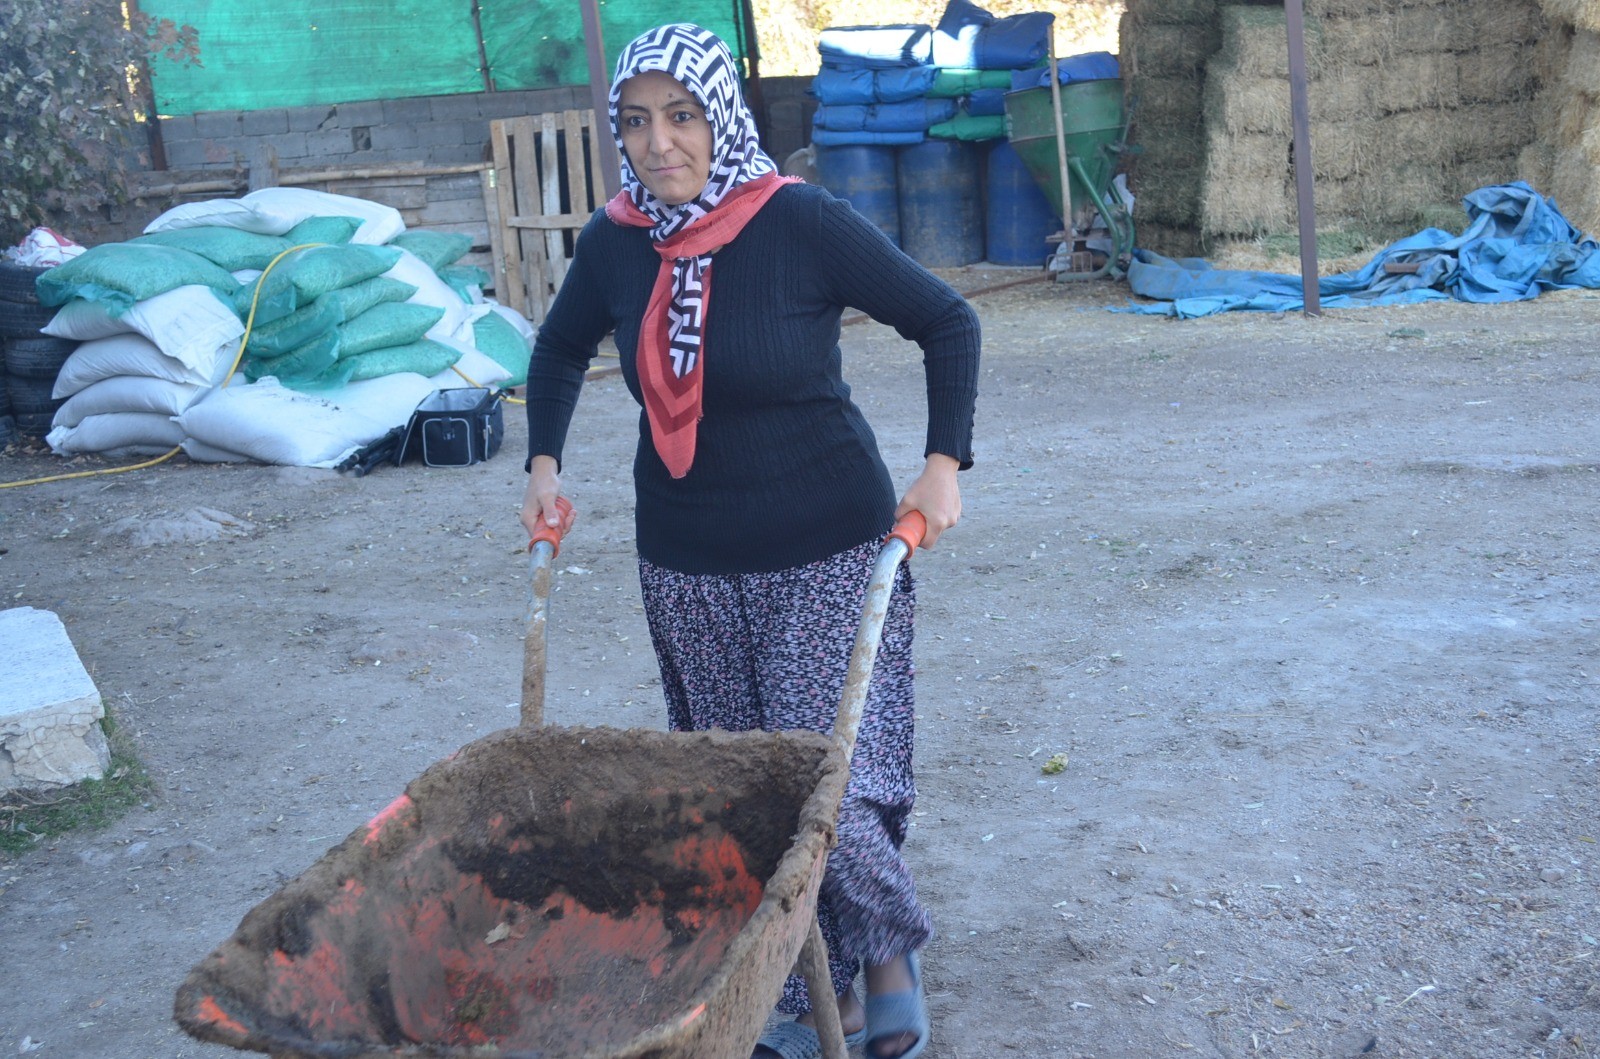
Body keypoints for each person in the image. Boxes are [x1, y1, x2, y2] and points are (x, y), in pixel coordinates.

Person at [518, 22, 979, 1059]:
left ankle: (888, 957)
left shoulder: (798, 222)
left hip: (828, 546)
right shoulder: (614, 241)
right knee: (742, 797)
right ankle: (801, 976)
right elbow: (554, 351)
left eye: (680, 116)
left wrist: (943, 464)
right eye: (636, 123)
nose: (659, 142)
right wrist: (543, 464)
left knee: (831, 784)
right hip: (685, 562)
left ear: (721, 116)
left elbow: (947, 320)